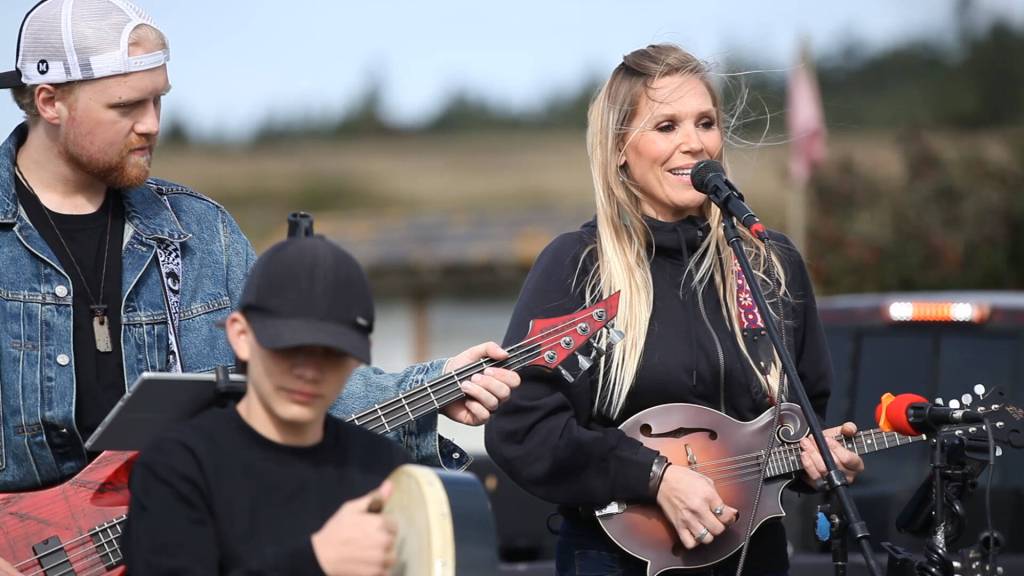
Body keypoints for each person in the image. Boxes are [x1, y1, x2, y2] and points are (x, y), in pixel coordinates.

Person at [0, 0, 517, 494]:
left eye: (158, 99)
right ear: (49, 102)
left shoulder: (204, 232)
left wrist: (432, 386)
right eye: (126, 106)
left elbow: (292, 377)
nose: (152, 123)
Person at [484, 44, 864, 576]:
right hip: (615, 559)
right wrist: (654, 476)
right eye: (666, 127)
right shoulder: (578, 267)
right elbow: (523, 429)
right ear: (620, 148)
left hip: (753, 557)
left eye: (705, 123)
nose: (694, 143)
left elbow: (804, 415)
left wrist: (812, 456)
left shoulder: (769, 262)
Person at [124, 234, 412, 574]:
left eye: (333, 353)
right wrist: (317, 562)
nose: (309, 371)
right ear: (241, 336)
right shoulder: (176, 467)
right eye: (289, 348)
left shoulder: (386, 467)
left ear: (358, 357)